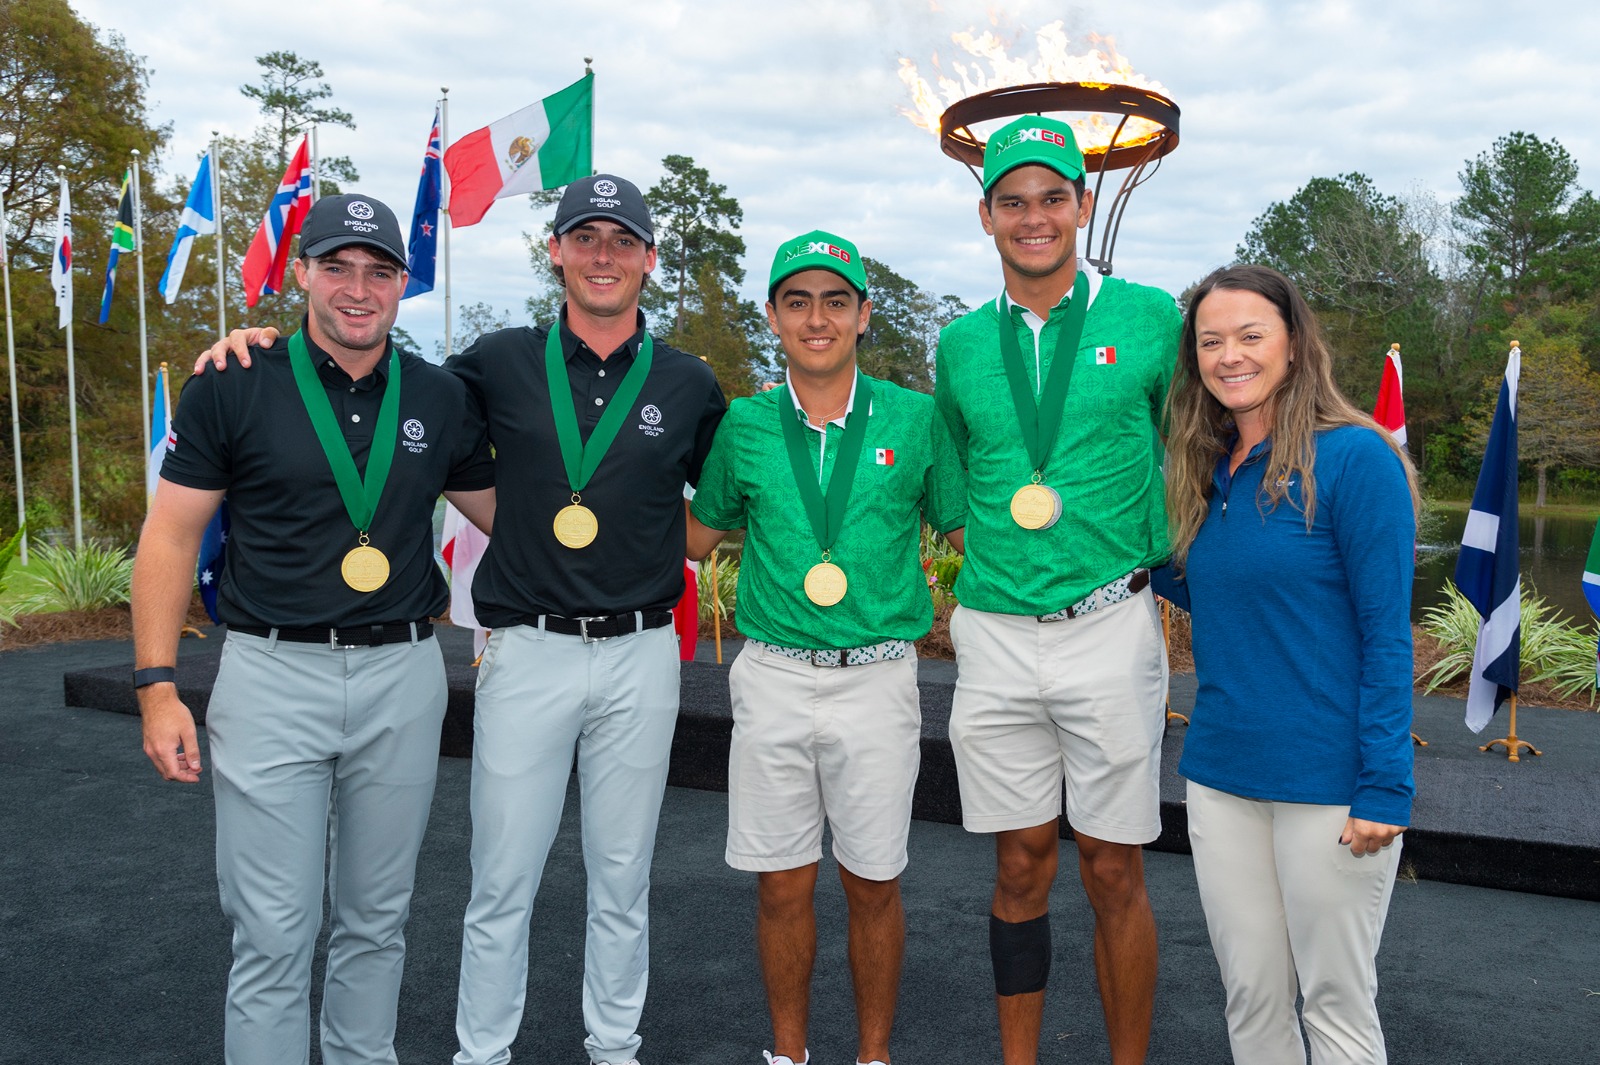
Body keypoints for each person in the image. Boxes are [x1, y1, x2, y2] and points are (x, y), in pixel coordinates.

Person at [196, 174, 727, 1065]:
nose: (604, 255)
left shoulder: (690, 382)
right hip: (524, 647)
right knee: (500, 881)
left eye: (622, 240)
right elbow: (368, 384)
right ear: (554, 251)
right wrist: (254, 343)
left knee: (624, 877)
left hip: (640, 650)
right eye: (584, 238)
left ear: (649, 258)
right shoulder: (489, 363)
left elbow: (718, 504)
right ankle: (482, 1054)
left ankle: (615, 1047)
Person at [133, 192, 496, 1065]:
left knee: (378, 919)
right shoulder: (233, 379)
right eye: (337, 267)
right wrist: (155, 688)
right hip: (269, 673)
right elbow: (171, 534)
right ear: (303, 274)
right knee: (274, 929)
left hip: (402, 675)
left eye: (378, 271)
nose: (358, 288)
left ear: (403, 283)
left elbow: (508, 515)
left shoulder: (441, 396)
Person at [929, 115, 1180, 1065]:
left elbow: (1186, 448)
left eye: (1051, 197)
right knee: (1019, 861)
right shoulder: (957, 343)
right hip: (995, 630)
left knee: (1113, 866)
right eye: (1013, 201)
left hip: (1108, 622)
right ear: (986, 213)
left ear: (1081, 204)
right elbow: (959, 482)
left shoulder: (1149, 316)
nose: (1034, 217)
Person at [1152, 264, 1417, 1064]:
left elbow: (1385, 636)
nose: (1229, 354)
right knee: (1253, 999)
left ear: (1294, 346)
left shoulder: (1355, 461)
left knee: (1335, 1002)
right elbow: (1229, 595)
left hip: (1330, 785)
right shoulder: (1208, 471)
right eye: (1210, 340)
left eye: (1250, 335)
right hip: (1221, 774)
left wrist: (1385, 783)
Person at [687, 231, 938, 1065]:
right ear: (773, 316)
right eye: (797, 301)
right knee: (783, 881)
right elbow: (697, 534)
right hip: (776, 676)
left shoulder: (913, 415)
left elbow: (969, 523)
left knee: (873, 882)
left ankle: (874, 1056)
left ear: (864, 314)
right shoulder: (746, 423)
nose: (817, 318)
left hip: (877, 676)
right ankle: (787, 1055)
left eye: (836, 300)